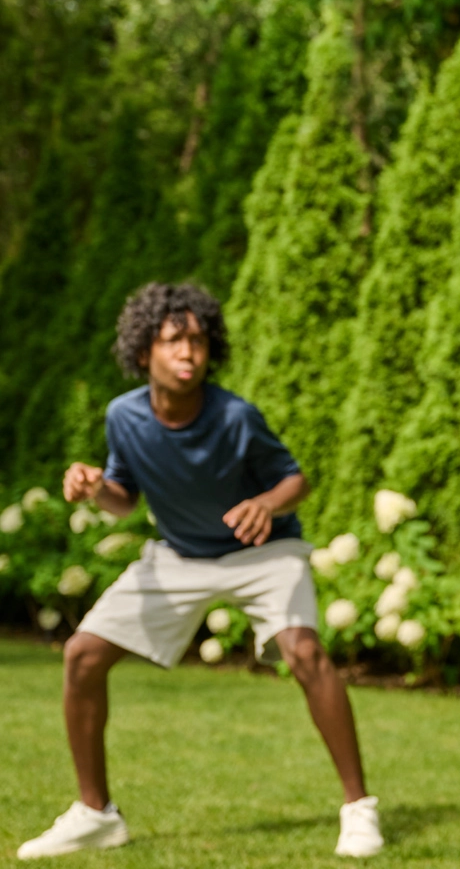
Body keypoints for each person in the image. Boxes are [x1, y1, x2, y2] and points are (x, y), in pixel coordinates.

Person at [17, 282, 383, 860]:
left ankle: (359, 809)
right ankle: (96, 814)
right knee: (82, 655)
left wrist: (266, 504)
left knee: (304, 651)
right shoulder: (124, 416)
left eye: (198, 341)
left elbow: (296, 480)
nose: (188, 351)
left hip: (263, 553)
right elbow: (124, 499)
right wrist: (94, 488)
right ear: (144, 352)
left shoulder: (236, 416)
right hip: (182, 555)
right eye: (173, 341)